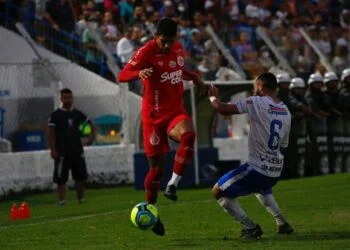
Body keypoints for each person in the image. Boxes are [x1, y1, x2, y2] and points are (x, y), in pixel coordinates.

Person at [118, 18, 206, 236]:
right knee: (156, 169)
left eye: (171, 41)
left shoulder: (177, 48)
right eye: (164, 41)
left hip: (175, 111)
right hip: (154, 117)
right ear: (156, 36)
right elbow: (122, 75)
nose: (168, 45)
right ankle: (153, 212)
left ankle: (173, 184)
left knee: (189, 135)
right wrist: (138, 73)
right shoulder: (145, 52)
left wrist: (194, 77)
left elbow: (177, 70)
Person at [208, 72, 294, 239]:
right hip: (275, 169)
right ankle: (282, 223)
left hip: (257, 168)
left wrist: (213, 97)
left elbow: (222, 108)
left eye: (255, 86)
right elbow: (283, 144)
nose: (254, 89)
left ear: (261, 85)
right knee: (262, 189)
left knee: (217, 191)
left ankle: (250, 227)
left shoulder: (256, 101)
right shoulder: (286, 110)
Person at [47, 88, 95, 206]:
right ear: (61, 99)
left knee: (80, 176)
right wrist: (52, 149)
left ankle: (81, 199)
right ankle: (62, 201)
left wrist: (91, 138)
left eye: (70, 97)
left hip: (77, 150)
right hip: (62, 151)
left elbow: (91, 125)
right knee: (61, 178)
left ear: (72, 98)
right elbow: (50, 132)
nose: (68, 100)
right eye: (65, 97)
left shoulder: (78, 114)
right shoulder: (55, 116)